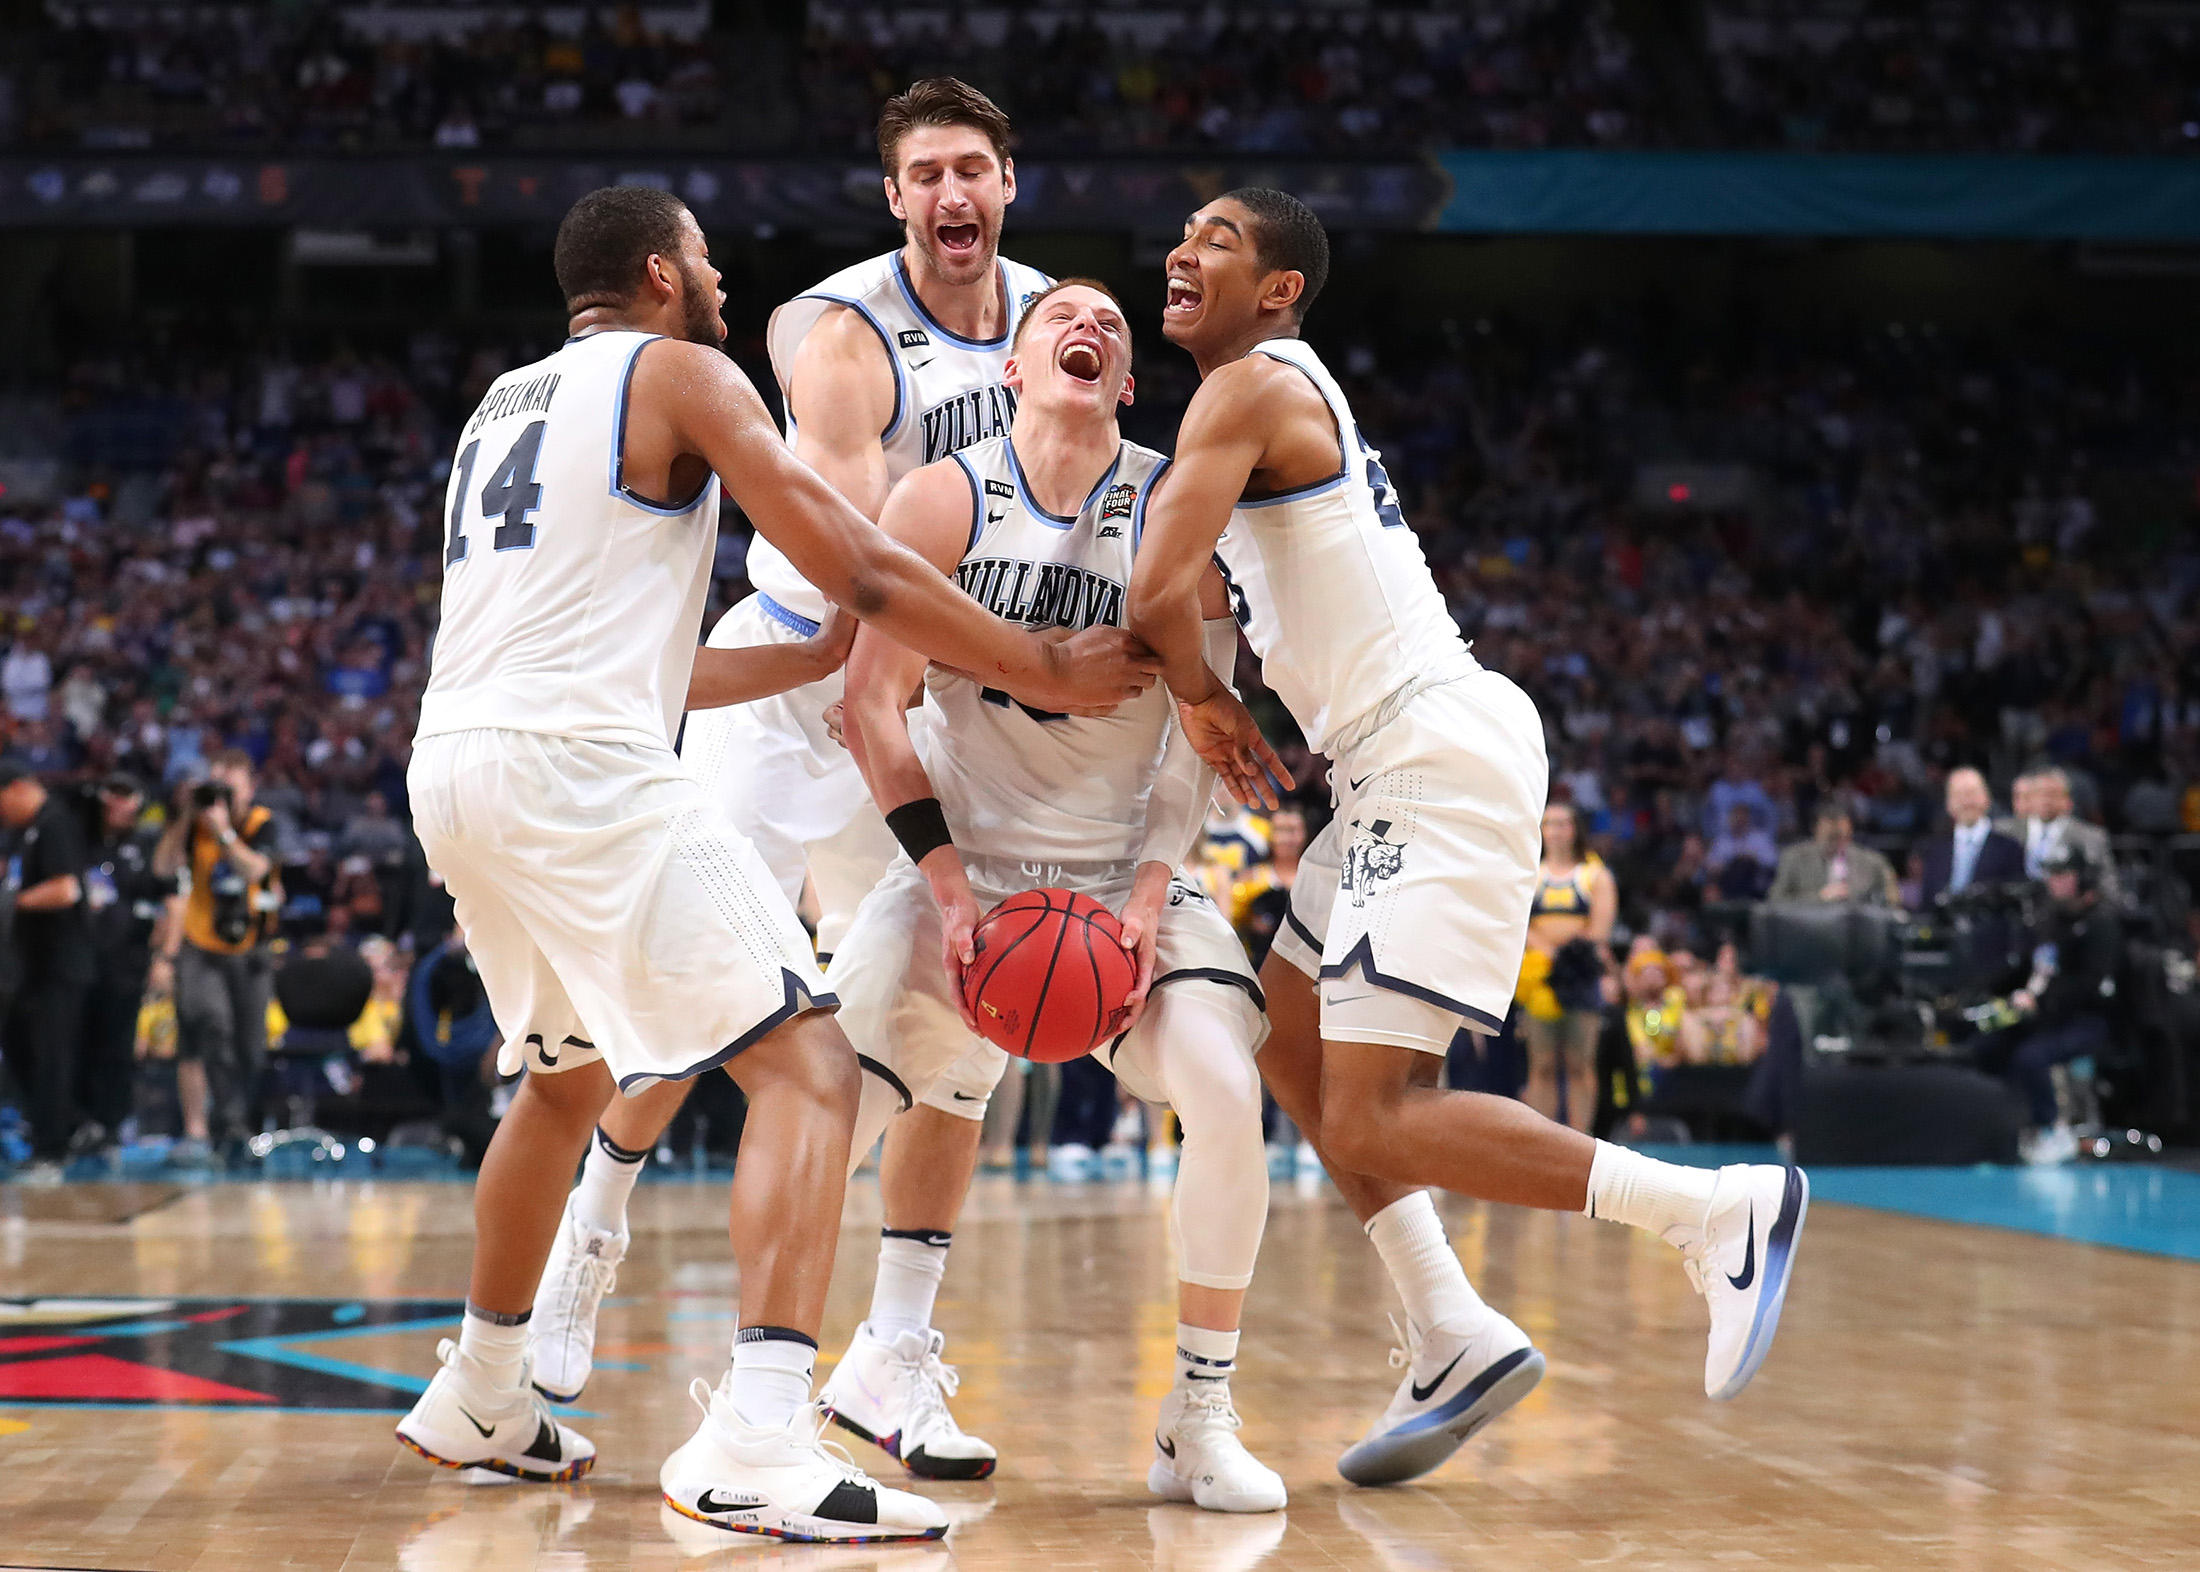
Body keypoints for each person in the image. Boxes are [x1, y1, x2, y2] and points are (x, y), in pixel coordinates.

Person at [391, 184, 1150, 1544]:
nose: (725, 282)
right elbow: (855, 562)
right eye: (708, 260)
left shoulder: (503, 403)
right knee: (810, 1065)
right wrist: (1037, 662)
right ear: (657, 272)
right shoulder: (682, 370)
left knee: (565, 1076)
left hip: (460, 759)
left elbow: (651, 653)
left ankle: (483, 1387)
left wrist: (800, 665)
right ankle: (755, 1437)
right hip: (580, 770)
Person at [1125, 188, 1806, 1487]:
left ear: (1278, 289)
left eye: (1217, 239)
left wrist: (1203, 702)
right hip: (1387, 766)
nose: (1182, 250)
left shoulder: (1248, 386)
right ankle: (1450, 1326)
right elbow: (1183, 589)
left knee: (1379, 1116)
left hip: (1428, 748)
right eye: (1185, 233)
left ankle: (1715, 1210)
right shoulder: (1253, 408)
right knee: (1292, 1044)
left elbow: (1156, 593)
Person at [525, 82, 1056, 1460]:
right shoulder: (834, 330)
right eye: (926, 173)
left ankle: (892, 1356)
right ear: (895, 200)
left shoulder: (1062, 322)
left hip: (932, 695)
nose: (952, 194)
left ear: (1010, 185)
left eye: (973, 170)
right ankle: (597, 1221)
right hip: (792, 684)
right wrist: (1029, 655)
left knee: (962, 1026)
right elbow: (850, 559)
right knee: (687, 998)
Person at [821, 279, 1284, 1509]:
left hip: (1124, 869)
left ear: (1125, 382)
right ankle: (795, 1385)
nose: (1089, 326)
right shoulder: (942, 495)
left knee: (1228, 1093)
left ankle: (1199, 1413)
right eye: (1059, 317)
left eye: (1112, 328)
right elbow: (868, 705)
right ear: (1012, 369)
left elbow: (1201, 730)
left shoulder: (1175, 506)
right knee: (818, 1097)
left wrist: (1146, 896)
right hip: (962, 863)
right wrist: (946, 885)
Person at [153, 750, 281, 1162]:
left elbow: (255, 871)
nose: (222, 797)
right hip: (201, 946)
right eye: (216, 788)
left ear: (250, 787)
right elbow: (163, 867)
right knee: (212, 1028)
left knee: (249, 1046)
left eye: (231, 788)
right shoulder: (196, 825)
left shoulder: (262, 823)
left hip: (250, 949)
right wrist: (186, 817)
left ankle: (239, 1127)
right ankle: (218, 1128)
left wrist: (224, 833)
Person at [1971, 844, 2121, 1166]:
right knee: (1987, 1046)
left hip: (2086, 1020)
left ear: (2083, 879)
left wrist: (2041, 1001)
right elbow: (2027, 966)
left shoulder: (2101, 925)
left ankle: (2051, 1129)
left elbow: (2093, 985)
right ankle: (2009, 1124)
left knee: (2031, 1057)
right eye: (2051, 875)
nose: (2054, 883)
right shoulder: (2049, 918)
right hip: (2042, 1015)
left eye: (2062, 875)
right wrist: (1983, 991)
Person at [0, 763, 95, 1168]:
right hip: (33, 969)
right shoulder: (29, 831)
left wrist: (11, 903)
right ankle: (73, 1125)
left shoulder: (57, 823)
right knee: (21, 1049)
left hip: (61, 965)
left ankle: (51, 1151)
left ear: (18, 788)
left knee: (50, 1058)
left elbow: (67, 888)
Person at [80, 773, 179, 1156]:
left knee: (119, 1046)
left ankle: (110, 1126)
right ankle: (80, 1121)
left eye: (128, 796)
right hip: (81, 961)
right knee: (76, 1041)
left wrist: (165, 957)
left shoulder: (149, 844)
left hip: (128, 961)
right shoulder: (82, 841)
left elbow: (172, 901)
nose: (120, 804)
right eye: (113, 794)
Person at [1516, 801, 1617, 1132]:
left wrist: (1566, 954)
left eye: (1564, 823)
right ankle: (1543, 1138)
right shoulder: (1531, 875)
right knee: (1541, 1063)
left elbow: (1600, 929)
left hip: (1581, 975)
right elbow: (1519, 922)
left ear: (1575, 830)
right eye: (1550, 824)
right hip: (1541, 976)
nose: (1557, 831)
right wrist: (1546, 951)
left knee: (1580, 1063)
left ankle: (1580, 1137)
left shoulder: (1594, 876)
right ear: (1540, 829)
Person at [1918, 766, 2024, 905]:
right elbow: (1927, 901)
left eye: (1972, 793)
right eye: (1959, 795)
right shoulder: (1935, 850)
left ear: (1987, 798)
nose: (1966, 802)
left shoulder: (2010, 848)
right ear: (1948, 803)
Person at [1767, 795, 1899, 906]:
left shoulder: (1873, 862)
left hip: (1857, 930)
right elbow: (1775, 901)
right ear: (1815, 831)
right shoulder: (1793, 858)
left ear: (1850, 831)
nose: (1837, 844)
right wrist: (1819, 898)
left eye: (1842, 837)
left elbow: (1893, 899)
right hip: (1807, 930)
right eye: (1830, 838)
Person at [2019, 766, 2119, 901]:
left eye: (2052, 794)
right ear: (2029, 799)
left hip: (2071, 911)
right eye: (2039, 794)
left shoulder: (2091, 837)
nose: (2045, 800)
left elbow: (2108, 886)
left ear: (2068, 801)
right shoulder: (2006, 833)